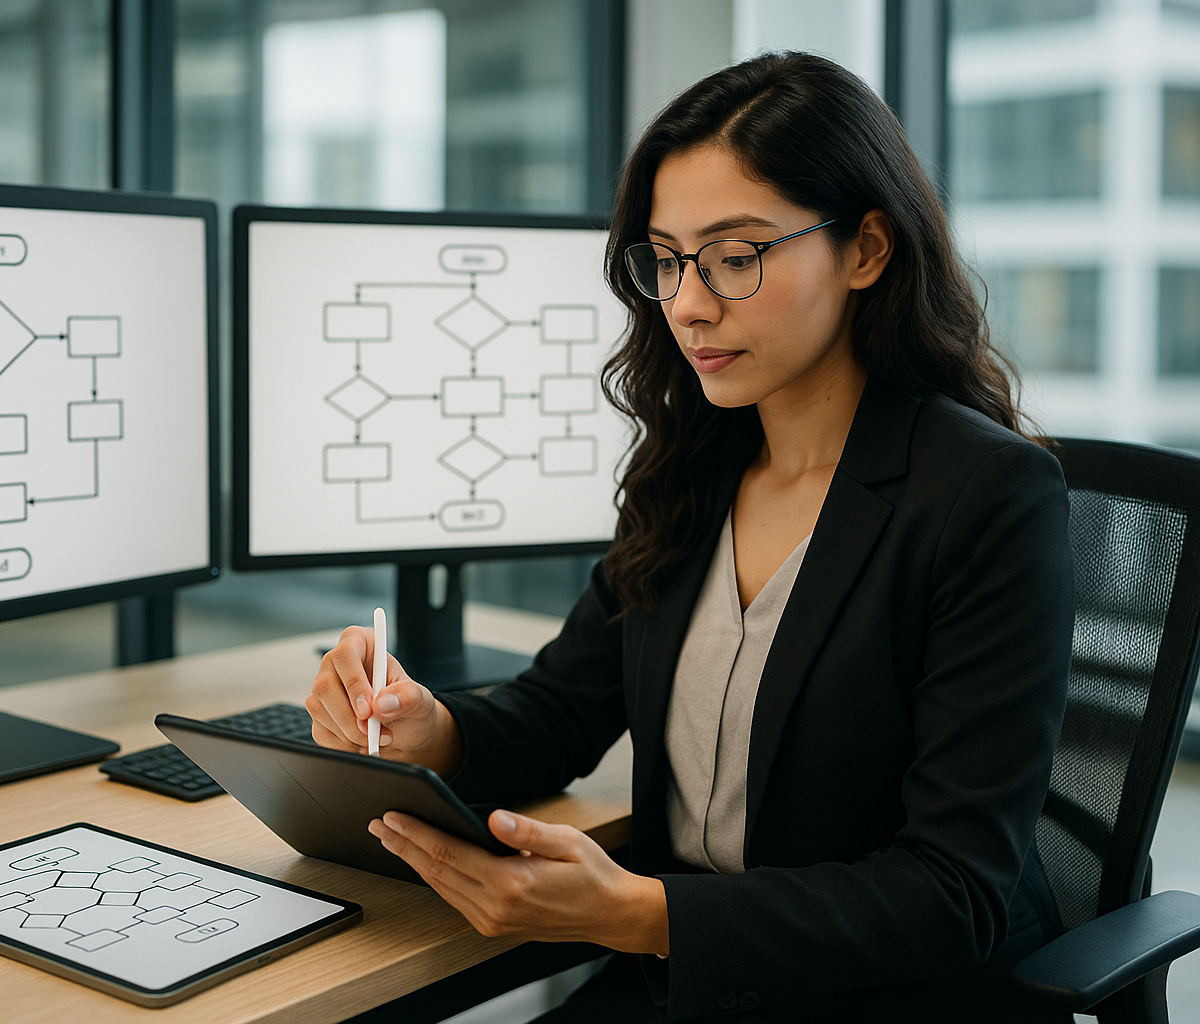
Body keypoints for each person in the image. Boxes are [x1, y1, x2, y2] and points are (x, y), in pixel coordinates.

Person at [306, 51, 1075, 1024]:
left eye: (735, 255)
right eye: (666, 259)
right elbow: (554, 715)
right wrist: (430, 729)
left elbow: (950, 893)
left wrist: (642, 914)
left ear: (868, 250)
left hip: (888, 999)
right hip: (688, 985)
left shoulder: (987, 495)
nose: (689, 303)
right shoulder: (694, 471)